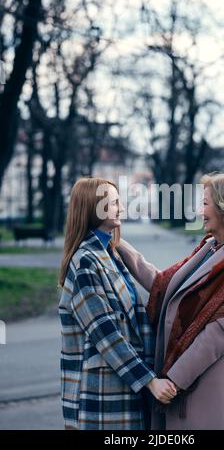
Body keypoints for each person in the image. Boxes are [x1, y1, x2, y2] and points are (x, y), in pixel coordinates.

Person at [117, 170, 224, 430]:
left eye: (205, 203)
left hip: (218, 389)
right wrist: (120, 244)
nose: (200, 211)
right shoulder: (211, 247)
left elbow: (219, 334)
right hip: (193, 383)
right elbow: (163, 284)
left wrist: (173, 380)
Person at [58, 177, 176, 430]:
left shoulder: (109, 254)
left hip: (122, 388)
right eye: (114, 203)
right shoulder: (86, 262)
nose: (122, 208)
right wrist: (149, 380)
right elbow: (106, 333)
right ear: (93, 207)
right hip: (102, 395)